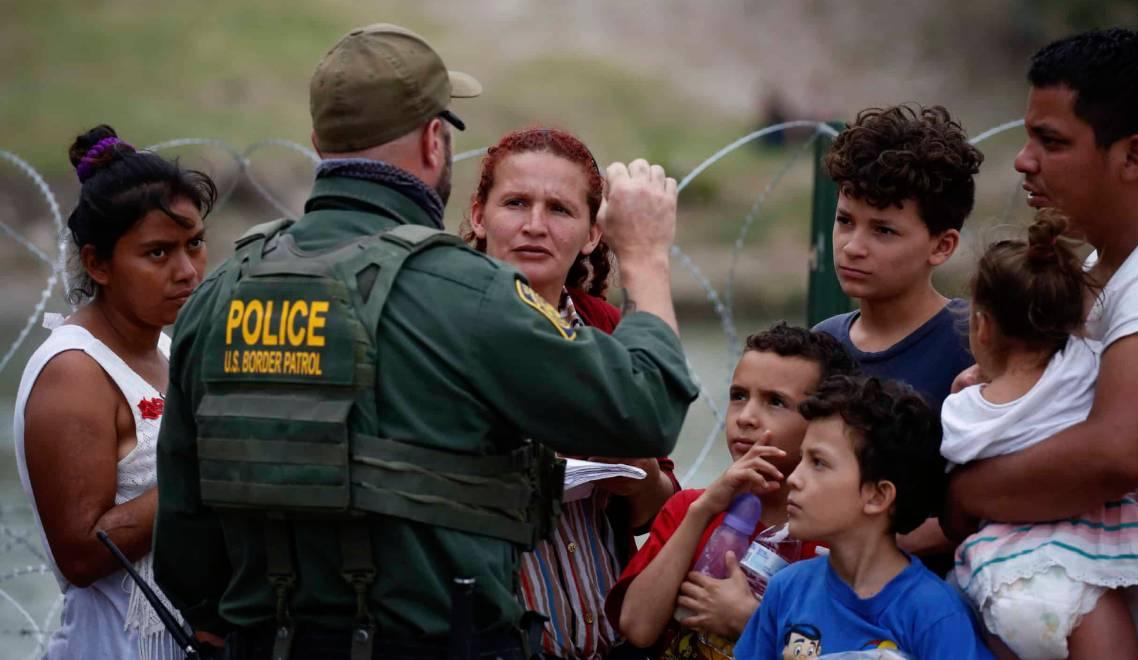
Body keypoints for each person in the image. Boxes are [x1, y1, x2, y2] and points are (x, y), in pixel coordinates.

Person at [152, 23, 699, 660]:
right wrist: (647, 258)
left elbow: (185, 548)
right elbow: (648, 410)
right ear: (435, 142)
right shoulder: (467, 293)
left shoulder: (221, 292)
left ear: (318, 143)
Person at [941, 27, 1138, 659]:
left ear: (1133, 156)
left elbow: (1118, 451)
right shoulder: (1099, 263)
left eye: (1051, 142)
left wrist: (961, 492)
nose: (1024, 160)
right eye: (1029, 136)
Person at [462, 126, 679, 659]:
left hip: (610, 636)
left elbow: (659, 513)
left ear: (591, 233)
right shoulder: (444, 328)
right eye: (515, 202)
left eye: (559, 209)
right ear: (478, 215)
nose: (534, 226)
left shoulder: (606, 329)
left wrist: (638, 469)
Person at [13, 125, 214, 659]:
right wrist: (210, 466)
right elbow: (81, 554)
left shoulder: (168, 349)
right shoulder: (74, 372)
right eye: (157, 253)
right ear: (98, 263)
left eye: (194, 243)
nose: (188, 270)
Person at [943, 209, 1138, 659]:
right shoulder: (1089, 366)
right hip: (1084, 569)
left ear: (983, 326)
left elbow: (956, 461)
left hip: (1001, 575)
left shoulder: (964, 411)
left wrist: (972, 390)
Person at [606, 323, 856, 658]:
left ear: (824, 422)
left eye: (776, 402)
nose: (746, 417)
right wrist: (702, 511)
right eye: (738, 396)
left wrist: (748, 620)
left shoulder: (839, 538)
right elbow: (637, 627)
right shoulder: (691, 508)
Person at [811, 104, 983, 571]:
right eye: (845, 220)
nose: (852, 245)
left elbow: (989, 499)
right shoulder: (820, 347)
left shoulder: (978, 344)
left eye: (883, 230)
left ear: (942, 245)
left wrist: (862, 546)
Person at [735, 376, 993, 659]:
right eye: (802, 460)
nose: (794, 479)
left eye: (818, 463)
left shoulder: (935, 614)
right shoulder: (786, 590)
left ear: (878, 496)